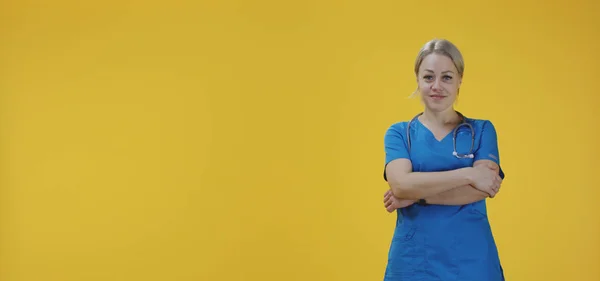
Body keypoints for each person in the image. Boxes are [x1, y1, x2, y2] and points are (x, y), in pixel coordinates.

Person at [381, 38, 506, 281]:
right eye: (429, 77)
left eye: (447, 77)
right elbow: (400, 185)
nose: (437, 85)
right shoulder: (399, 133)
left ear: (460, 80)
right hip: (414, 260)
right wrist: (468, 174)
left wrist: (416, 196)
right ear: (417, 79)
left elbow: (482, 188)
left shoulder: (481, 130)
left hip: (472, 260)